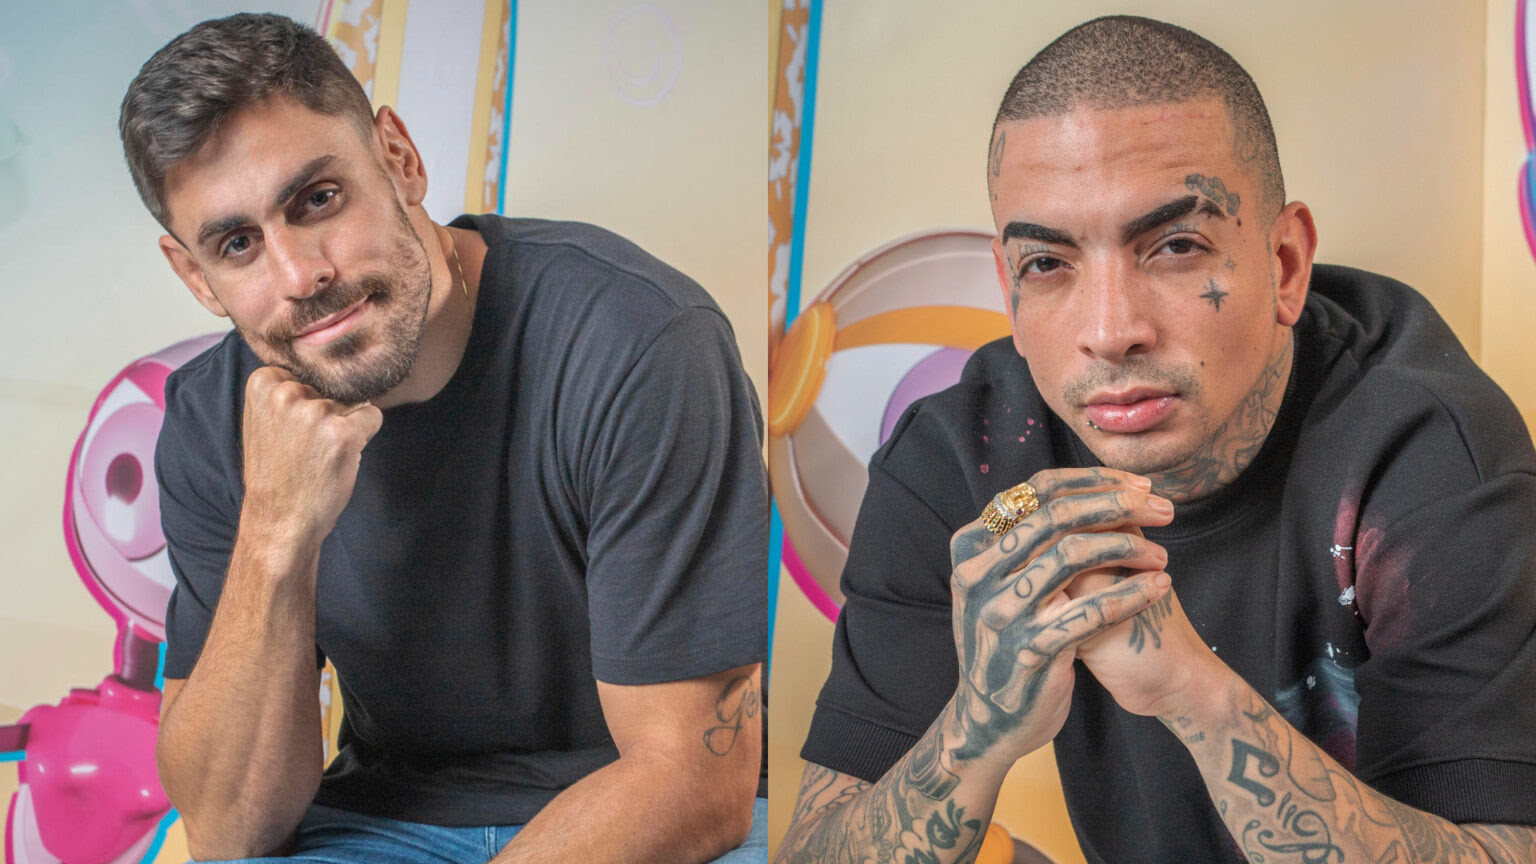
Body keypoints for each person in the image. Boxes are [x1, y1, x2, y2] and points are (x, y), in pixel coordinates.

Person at [777, 15, 1536, 864]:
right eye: (1047, 264)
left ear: (1285, 265)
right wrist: (975, 732)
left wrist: (1191, 692)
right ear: (1009, 290)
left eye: (1176, 246)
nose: (1110, 333)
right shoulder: (969, 466)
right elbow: (813, 852)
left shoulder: (1423, 450)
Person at [118, 13, 767, 863]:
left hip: (635, 812)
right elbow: (230, 828)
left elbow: (692, 780)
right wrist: (275, 533)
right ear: (196, 277)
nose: (301, 275)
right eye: (238, 245)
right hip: (382, 824)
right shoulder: (213, 419)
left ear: (399, 158)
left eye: (318, 199)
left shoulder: (636, 341)